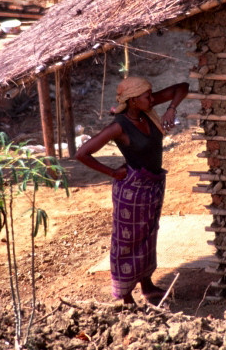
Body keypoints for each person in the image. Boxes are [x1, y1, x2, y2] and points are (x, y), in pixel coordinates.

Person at [75, 76, 189, 305]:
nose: (151, 97)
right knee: (127, 242)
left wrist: (171, 109)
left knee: (148, 235)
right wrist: (112, 173)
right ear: (134, 101)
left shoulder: (146, 109)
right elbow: (82, 153)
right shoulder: (119, 126)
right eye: (147, 96)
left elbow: (182, 87)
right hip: (132, 191)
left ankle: (146, 284)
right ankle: (126, 295)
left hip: (153, 185)